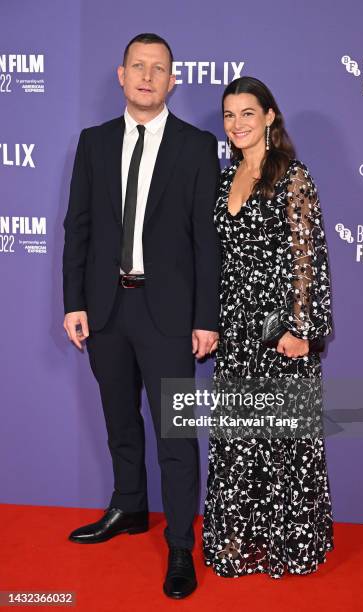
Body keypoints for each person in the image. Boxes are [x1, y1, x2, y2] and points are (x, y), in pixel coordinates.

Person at [62, 33, 220, 599]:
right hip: (106, 310)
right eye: (139, 67)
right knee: (120, 422)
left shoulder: (196, 145)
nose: (148, 77)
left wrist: (207, 317)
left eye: (159, 69)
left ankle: (180, 543)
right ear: (121, 75)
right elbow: (77, 227)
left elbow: (207, 239)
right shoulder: (94, 142)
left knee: (175, 435)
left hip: (170, 314)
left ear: (173, 80)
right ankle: (128, 508)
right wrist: (73, 302)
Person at [202, 76, 334, 578]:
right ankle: (238, 544)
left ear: (270, 117)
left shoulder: (293, 177)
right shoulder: (223, 179)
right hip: (236, 329)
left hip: (277, 330)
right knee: (238, 442)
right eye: (230, 115)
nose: (238, 124)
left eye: (248, 114)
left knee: (284, 444)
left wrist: (298, 327)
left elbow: (307, 257)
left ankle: (289, 545)